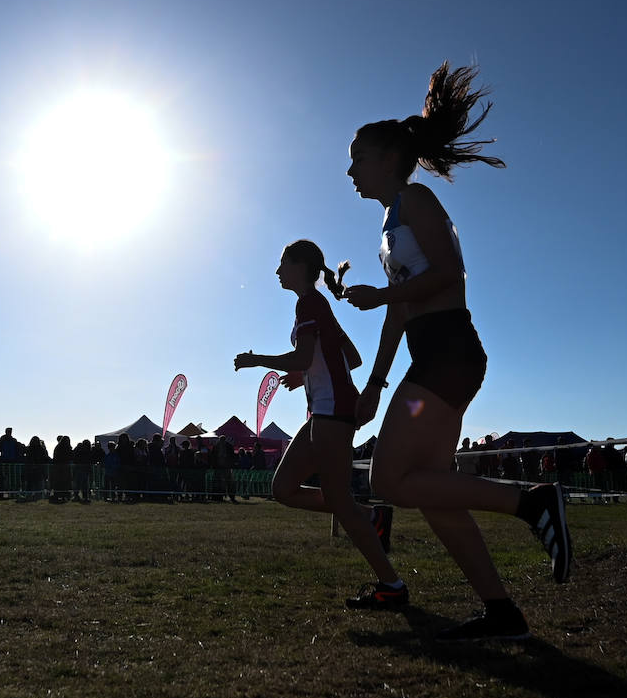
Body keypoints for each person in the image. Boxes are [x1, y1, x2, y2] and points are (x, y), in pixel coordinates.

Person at [339, 62, 570, 641]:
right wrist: (374, 385)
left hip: (450, 350)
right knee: (432, 488)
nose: (351, 169)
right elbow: (397, 312)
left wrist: (385, 293)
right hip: (433, 355)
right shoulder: (390, 227)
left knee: (390, 481)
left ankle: (532, 502)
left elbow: (449, 272)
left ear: (389, 159)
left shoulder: (416, 200)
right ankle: (502, 612)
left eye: (359, 157)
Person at [235, 238, 406, 610]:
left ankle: (391, 584)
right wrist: (304, 372)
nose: (278, 271)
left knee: (339, 500)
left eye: (283, 264)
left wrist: (258, 360)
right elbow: (353, 358)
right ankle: (369, 517)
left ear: (299, 266)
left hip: (333, 413)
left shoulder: (309, 303)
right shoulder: (319, 306)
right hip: (324, 412)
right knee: (282, 488)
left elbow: (306, 354)